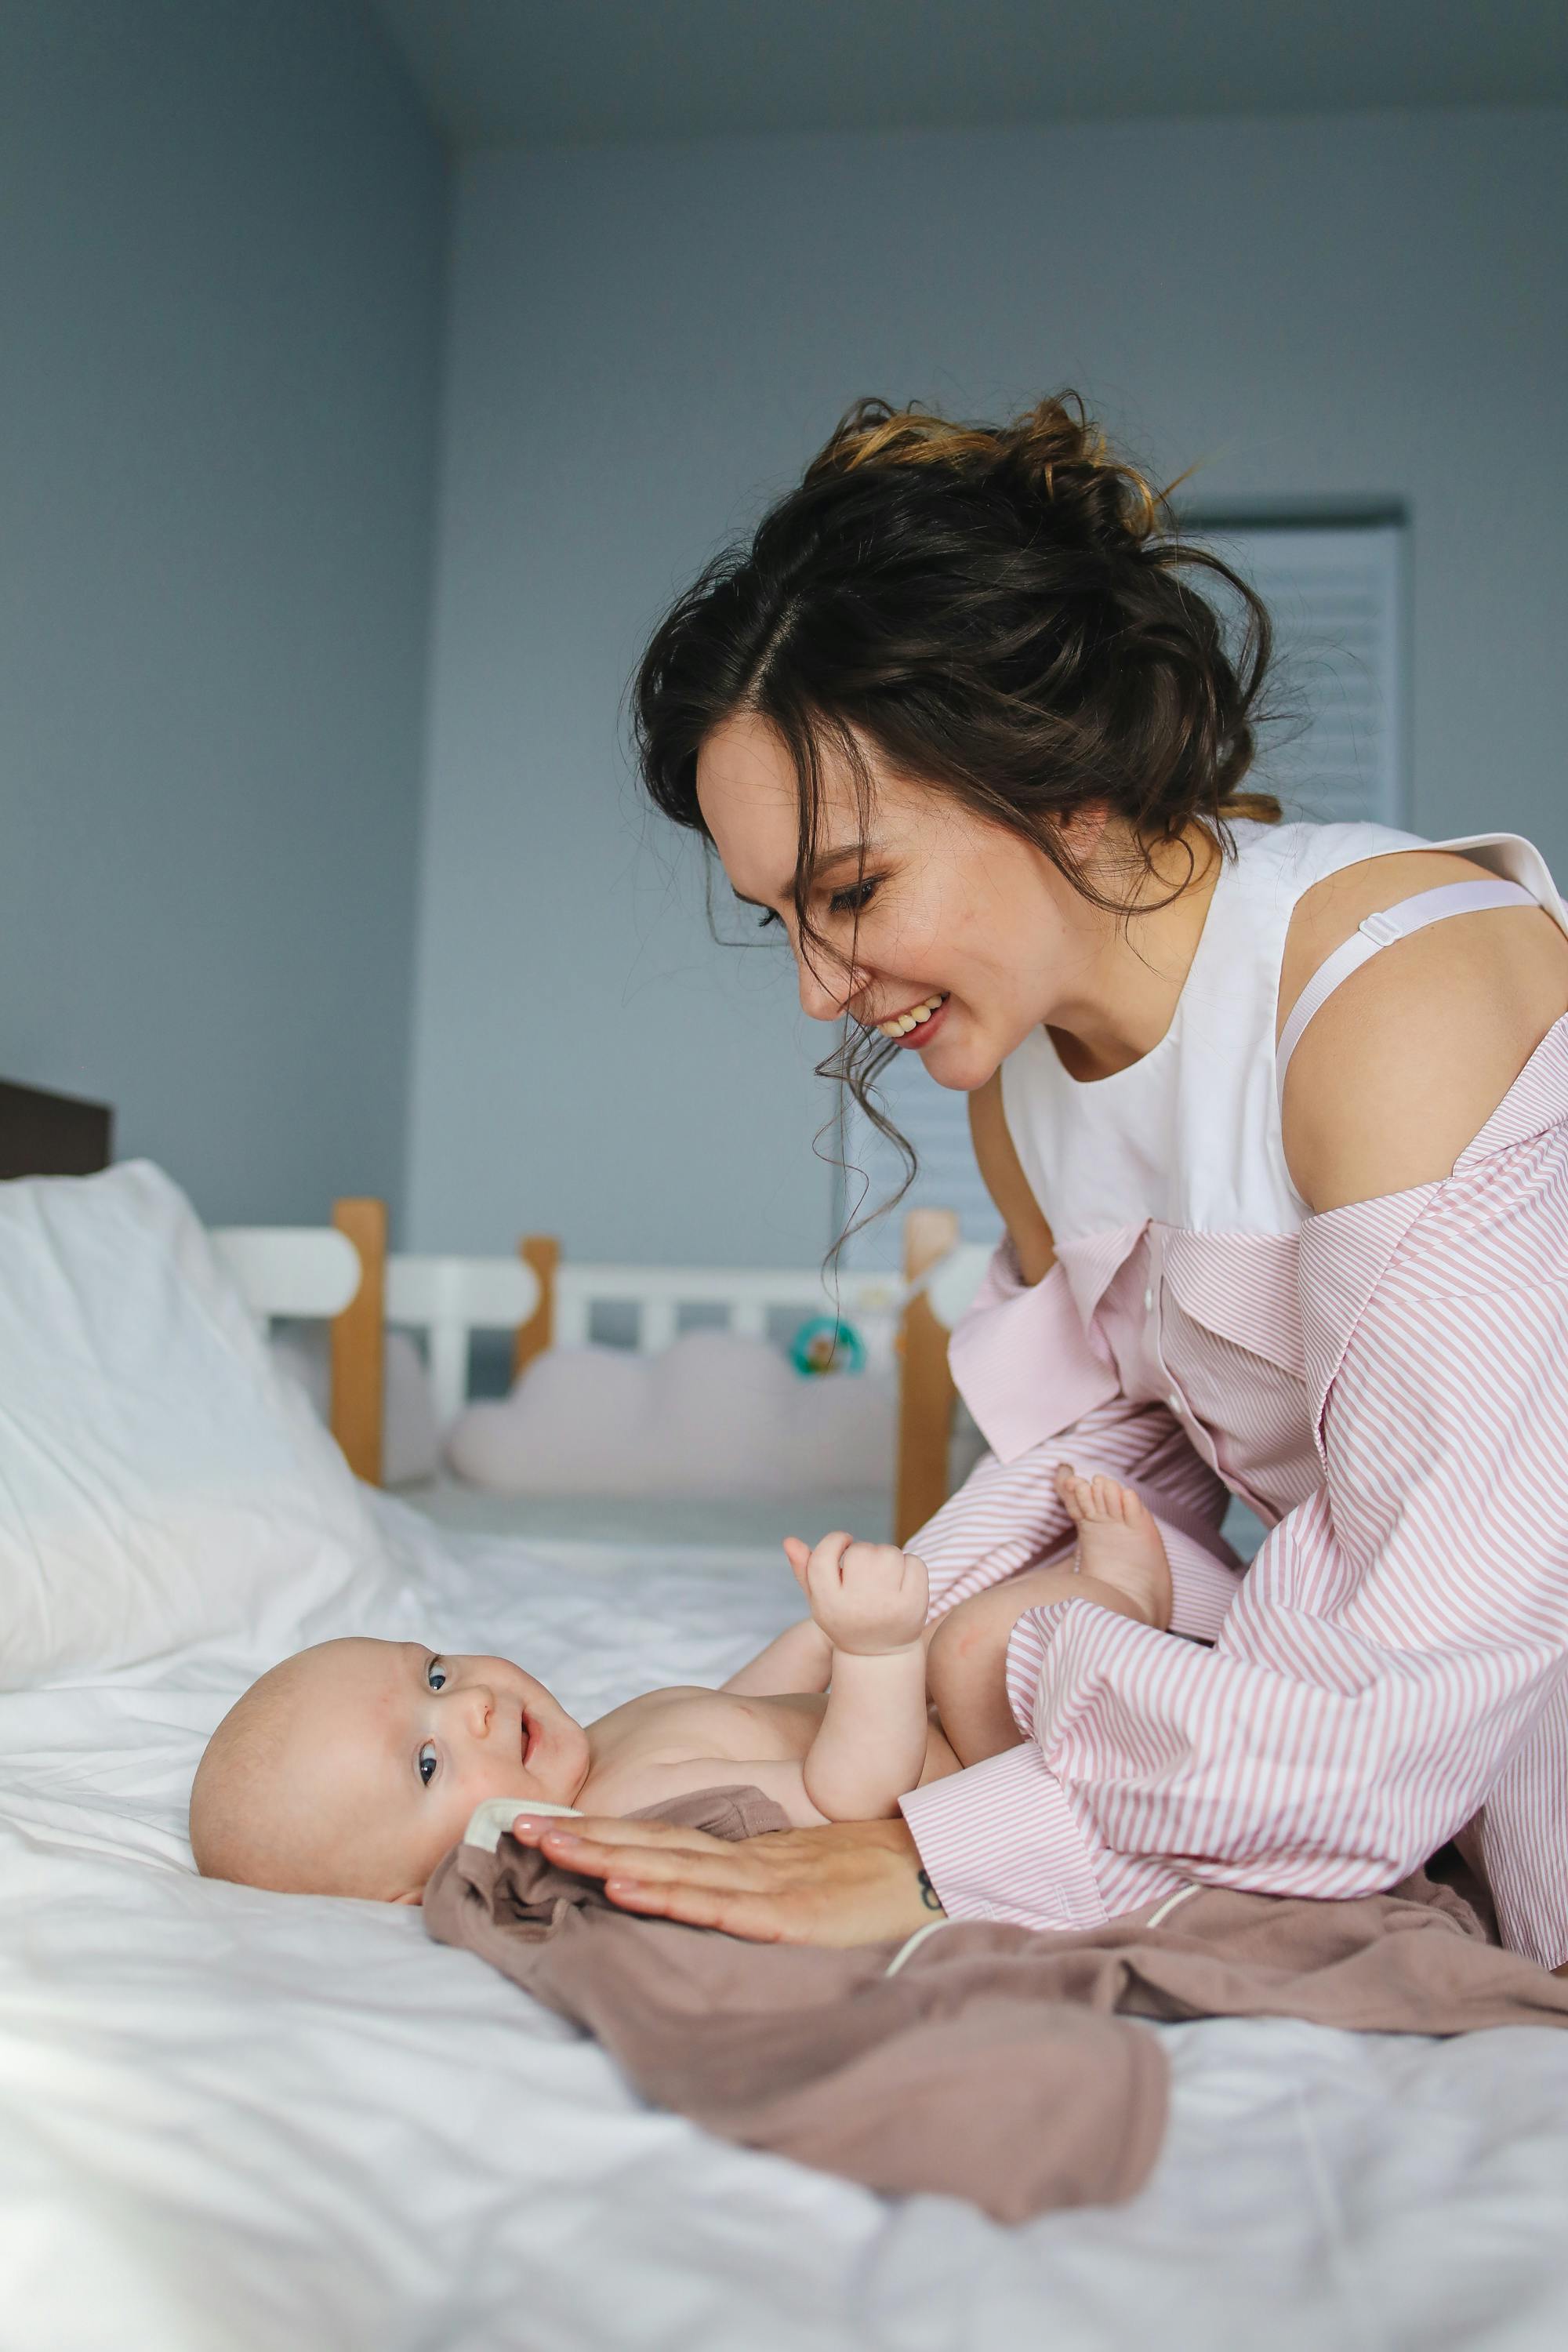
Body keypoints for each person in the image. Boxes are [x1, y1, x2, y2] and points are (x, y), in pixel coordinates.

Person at [501, 390, 1568, 1969]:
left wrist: (942, 1864)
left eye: (850, 891)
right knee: (1020, 1651)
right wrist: (776, 1705)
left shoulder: (1391, 997)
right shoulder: (1023, 1087)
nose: (814, 988)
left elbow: (1446, 1639)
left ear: (1059, 772)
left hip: (1496, 1644)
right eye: (777, 919)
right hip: (1412, 1649)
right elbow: (1105, 1463)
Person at [190, 1465, 1168, 1902]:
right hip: (983, 1762)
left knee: (946, 1571)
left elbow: (730, 1713)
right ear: (418, 1885)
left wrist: (808, 1644)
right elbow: (851, 1798)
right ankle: (1128, 1592)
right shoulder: (622, 1814)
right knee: (968, 1642)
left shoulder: (593, 1757)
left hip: (915, 1719)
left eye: (434, 1675)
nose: (471, 1704)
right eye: (429, 1760)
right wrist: (872, 1655)